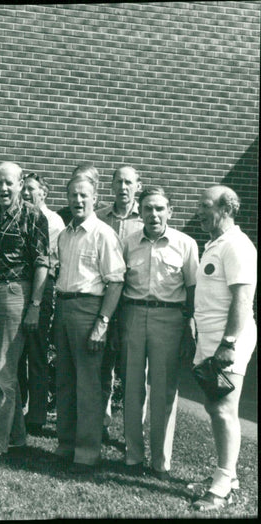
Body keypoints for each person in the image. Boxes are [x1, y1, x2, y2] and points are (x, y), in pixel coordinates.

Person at [0, 162, 49, 462]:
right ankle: (16, 436)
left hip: (16, 292)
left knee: (3, 371)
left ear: (19, 184)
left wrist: (35, 306)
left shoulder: (33, 216)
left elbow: (42, 263)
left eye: (9, 183)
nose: (4, 188)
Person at [120, 185, 198, 479]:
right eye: (148, 208)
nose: (154, 214)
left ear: (170, 211)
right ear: (139, 212)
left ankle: (160, 462)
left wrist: (190, 331)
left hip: (170, 318)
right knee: (132, 386)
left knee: (164, 389)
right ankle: (132, 456)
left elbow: (192, 290)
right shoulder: (127, 243)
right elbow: (120, 284)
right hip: (133, 314)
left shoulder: (186, 243)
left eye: (159, 208)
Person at [54, 171, 125, 473]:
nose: (78, 200)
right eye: (73, 195)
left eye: (84, 195)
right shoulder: (65, 234)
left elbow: (116, 282)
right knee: (66, 381)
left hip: (89, 311)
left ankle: (86, 452)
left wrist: (102, 323)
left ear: (95, 199)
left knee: (88, 384)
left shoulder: (103, 234)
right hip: (64, 308)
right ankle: (66, 445)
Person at [190, 185, 256, 511]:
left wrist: (228, 344)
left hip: (229, 341)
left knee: (224, 410)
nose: (198, 211)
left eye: (204, 206)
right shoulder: (215, 244)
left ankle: (223, 485)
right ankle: (226, 476)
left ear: (226, 208)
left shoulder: (237, 246)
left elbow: (243, 299)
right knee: (214, 407)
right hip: (210, 339)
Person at [96, 165, 144, 442]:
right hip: (104, 300)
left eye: (129, 182)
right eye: (119, 182)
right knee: (102, 367)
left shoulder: (147, 217)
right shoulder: (100, 217)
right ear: (111, 185)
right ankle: (100, 423)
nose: (123, 187)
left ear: (138, 186)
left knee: (133, 372)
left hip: (133, 304)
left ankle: (132, 434)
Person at [18, 172, 66, 434]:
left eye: (32, 189)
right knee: (16, 353)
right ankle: (18, 408)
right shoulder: (19, 214)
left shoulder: (53, 221)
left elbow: (52, 261)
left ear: (44, 193)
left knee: (36, 351)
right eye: (23, 188)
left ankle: (36, 413)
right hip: (19, 287)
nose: (26, 193)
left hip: (42, 287)